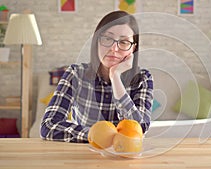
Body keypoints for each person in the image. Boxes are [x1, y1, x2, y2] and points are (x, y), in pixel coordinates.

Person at [40, 11, 153, 143]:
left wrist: (115, 78)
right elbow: (48, 126)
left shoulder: (143, 78)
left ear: (133, 48)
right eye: (107, 39)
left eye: (124, 42)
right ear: (97, 41)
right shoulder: (76, 74)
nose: (114, 48)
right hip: (83, 156)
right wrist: (98, 136)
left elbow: (140, 129)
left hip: (124, 157)